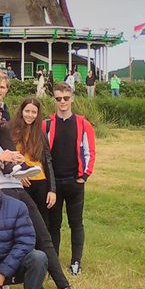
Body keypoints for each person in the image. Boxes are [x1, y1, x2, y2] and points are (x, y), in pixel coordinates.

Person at [0, 105, 87, 289]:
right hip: (3, 193)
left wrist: (14, 159)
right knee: (19, 241)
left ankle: (63, 286)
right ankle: (37, 287)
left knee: (42, 236)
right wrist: (0, 159)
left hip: (18, 188)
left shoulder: (1, 141)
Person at [44, 82, 96, 276]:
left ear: (72, 99)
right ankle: (53, 260)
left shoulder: (83, 124)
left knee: (76, 223)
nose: (63, 102)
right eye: (59, 99)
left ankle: (76, 261)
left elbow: (90, 150)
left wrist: (85, 175)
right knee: (54, 224)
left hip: (75, 181)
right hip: (54, 184)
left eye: (66, 98)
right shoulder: (47, 124)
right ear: (54, 100)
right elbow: (42, 152)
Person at [9, 97, 56, 229]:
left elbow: (48, 161)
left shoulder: (40, 134)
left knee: (41, 223)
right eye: (27, 111)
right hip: (20, 182)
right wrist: (19, 174)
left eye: (34, 112)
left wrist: (52, 189)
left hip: (40, 182)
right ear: (21, 111)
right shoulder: (11, 131)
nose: (30, 115)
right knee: (21, 222)